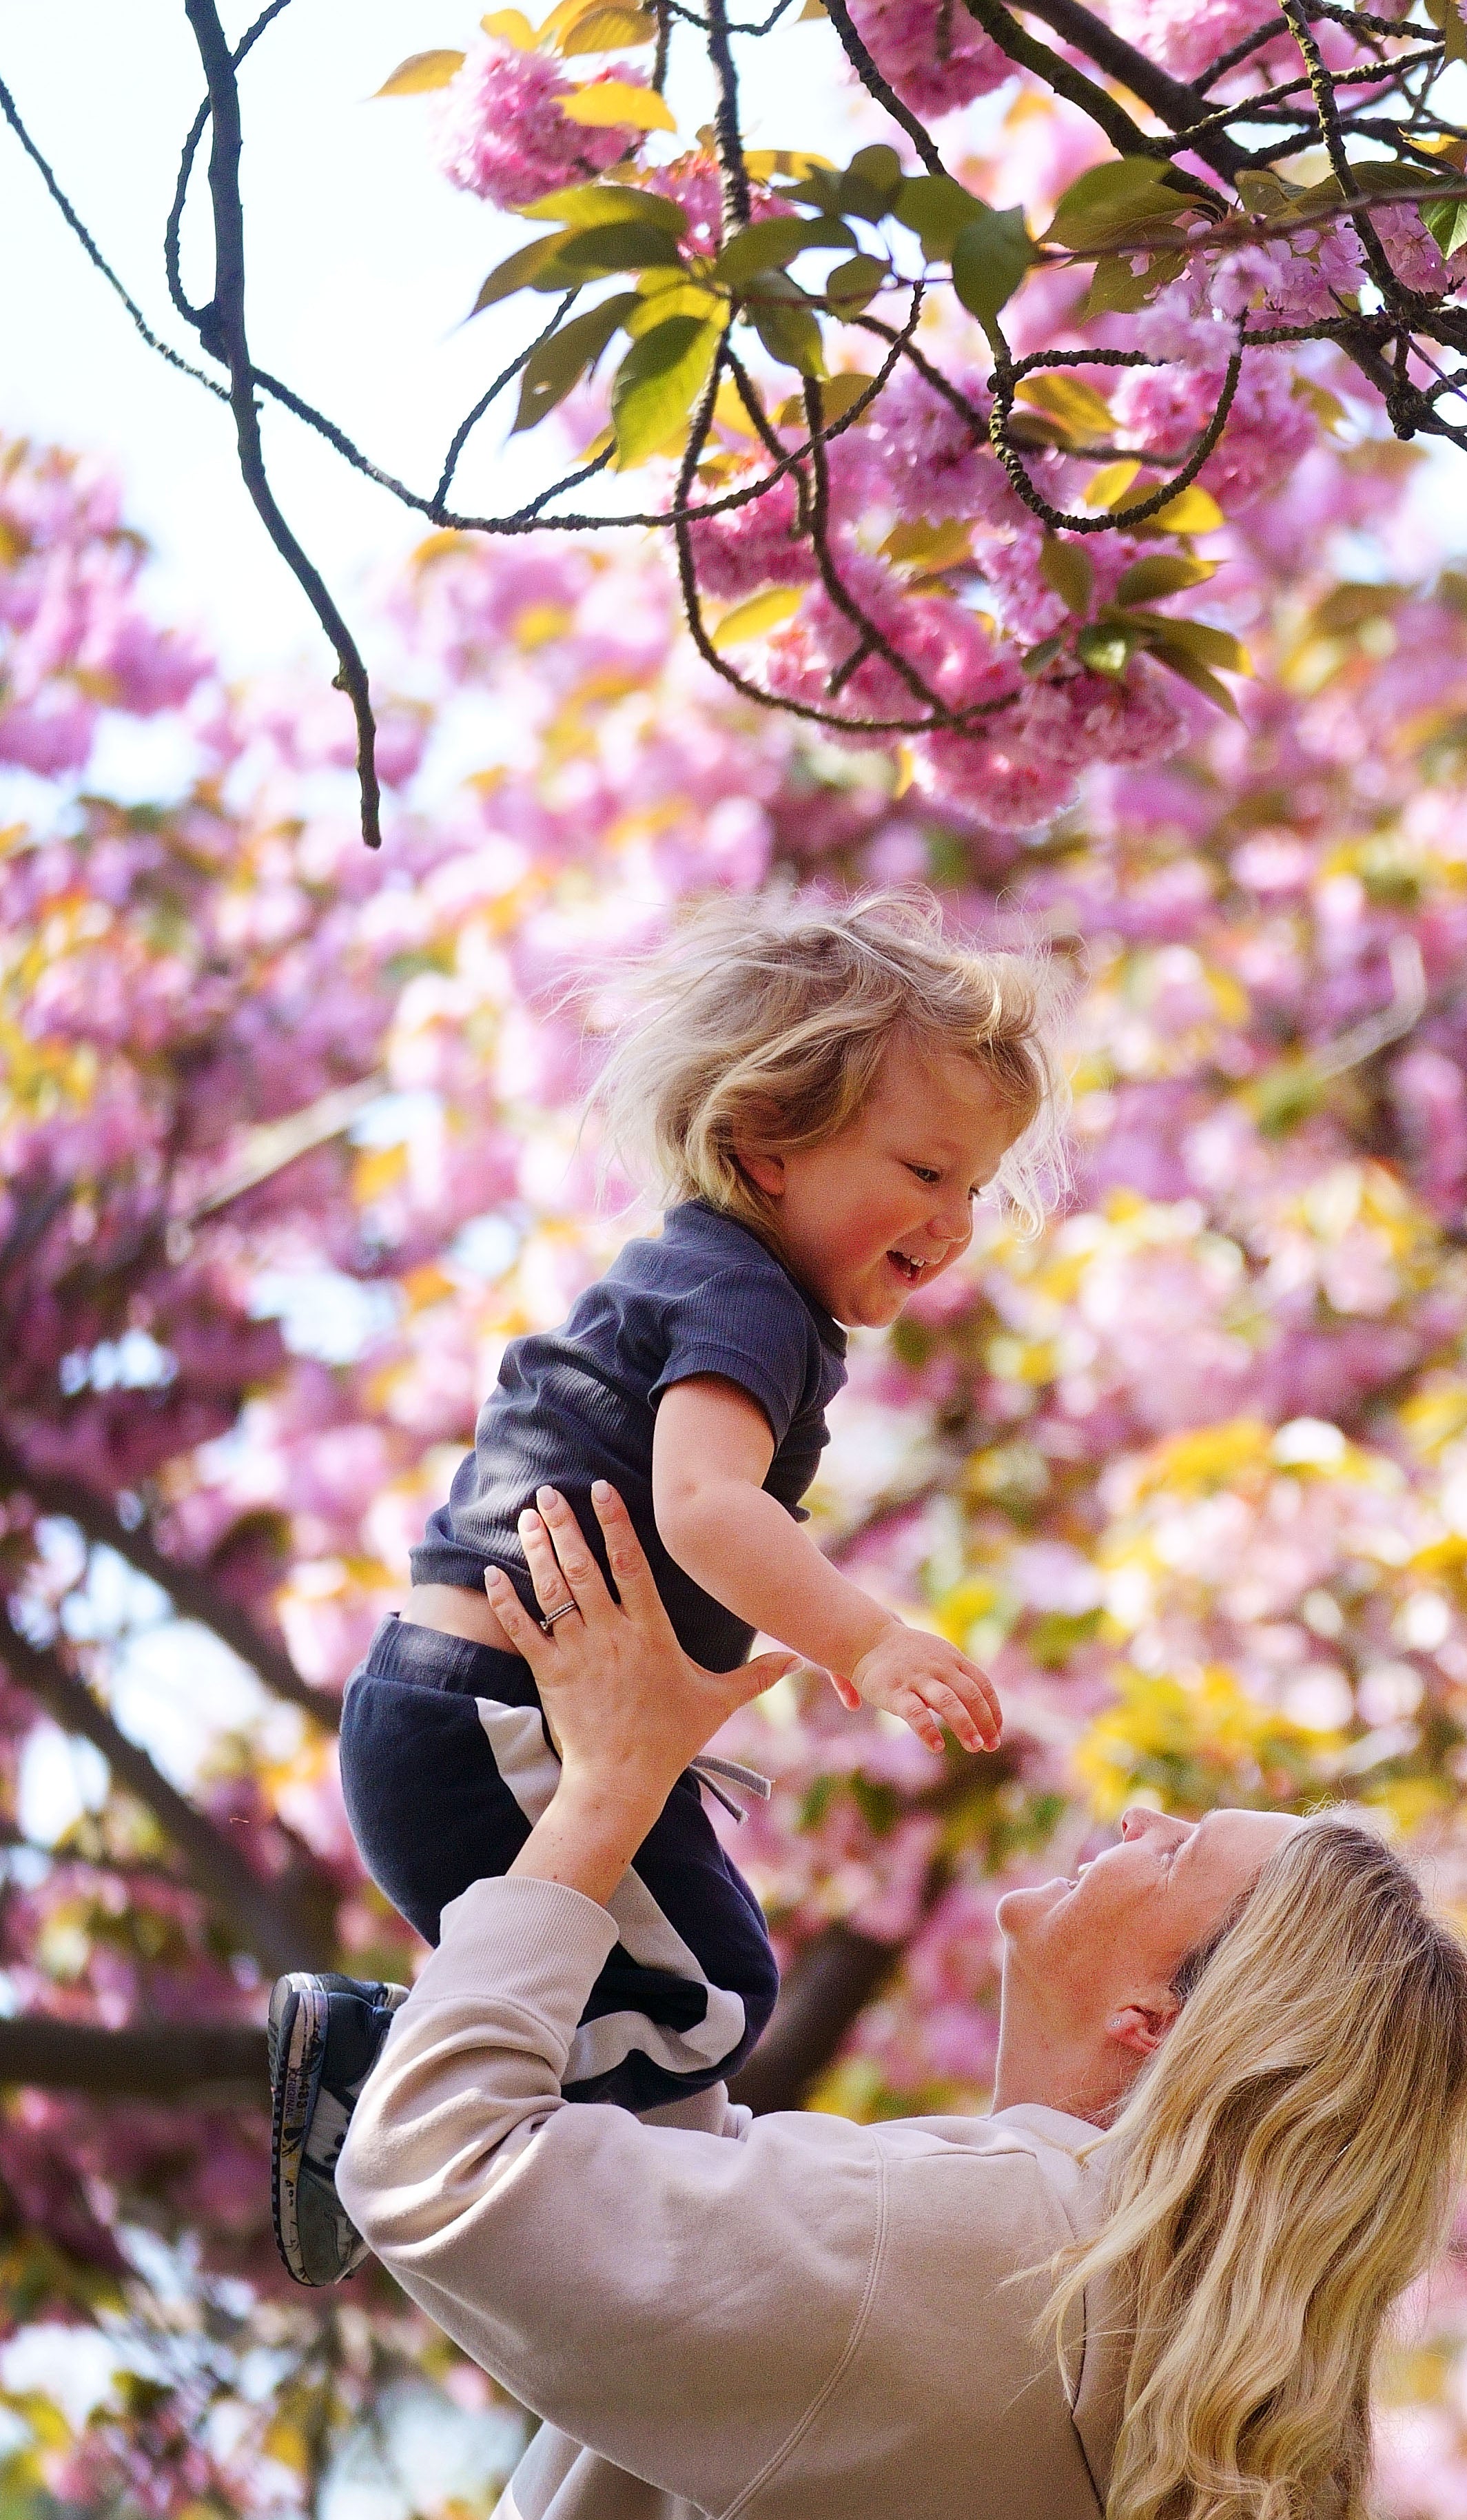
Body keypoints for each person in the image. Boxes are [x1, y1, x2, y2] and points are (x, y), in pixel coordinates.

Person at [340, 1484, 1467, 2520]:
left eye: (1181, 1847)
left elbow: (437, 2165)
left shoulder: (981, 2253)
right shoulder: (1132, 2354)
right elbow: (703, 2238)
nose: (1141, 1815)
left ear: (1162, 2013)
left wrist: (606, 1788)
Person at [272, 889, 1066, 2285]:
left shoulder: (712, 1280)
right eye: (927, 1170)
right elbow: (705, 1507)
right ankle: (402, 2080)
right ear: (767, 1145)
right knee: (698, 1995)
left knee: (687, 1985)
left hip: (456, 1711)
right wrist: (866, 1642)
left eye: (977, 1189)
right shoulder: (749, 1298)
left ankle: (434, 2096)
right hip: (495, 1723)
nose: (955, 1223)